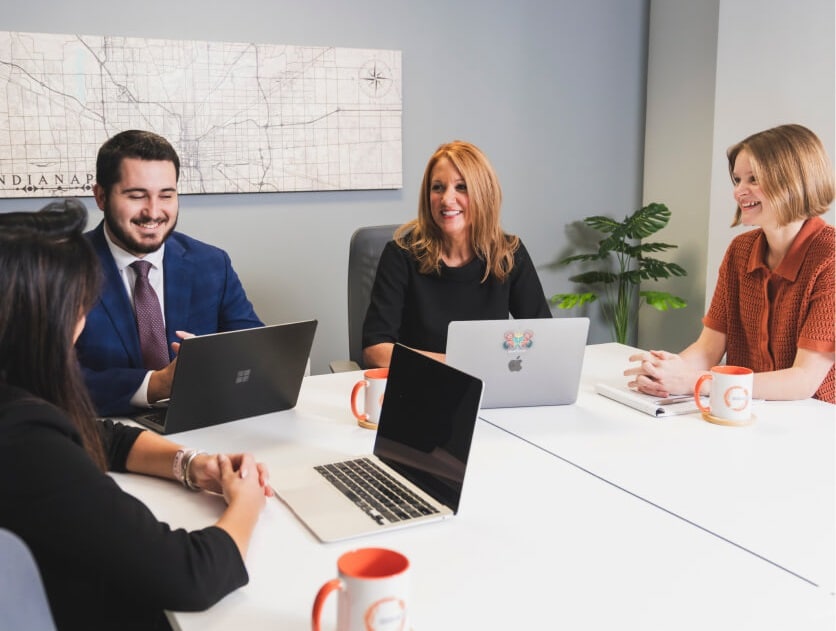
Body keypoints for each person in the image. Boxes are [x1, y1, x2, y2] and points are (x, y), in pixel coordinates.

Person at [0, 199, 272, 630]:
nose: (84, 319)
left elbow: (99, 435)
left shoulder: (17, 404)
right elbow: (190, 575)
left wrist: (191, 465)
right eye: (78, 305)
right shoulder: (27, 446)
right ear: (41, 318)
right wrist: (247, 503)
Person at [625, 124, 835, 403]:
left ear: (793, 181)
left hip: (813, 423)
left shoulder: (829, 257)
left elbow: (802, 381)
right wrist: (663, 372)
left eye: (753, 179)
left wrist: (694, 381)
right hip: (743, 411)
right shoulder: (741, 250)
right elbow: (708, 348)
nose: (739, 191)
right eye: (737, 180)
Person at [75, 130, 263, 416]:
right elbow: (45, 380)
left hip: (203, 427)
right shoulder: (60, 270)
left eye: (166, 195)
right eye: (137, 196)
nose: (153, 212)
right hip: (103, 435)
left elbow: (256, 350)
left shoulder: (211, 263)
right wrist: (156, 384)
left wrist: (224, 358)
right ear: (101, 196)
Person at [362, 140, 551, 368]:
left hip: (489, 387)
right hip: (421, 386)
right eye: (438, 187)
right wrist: (459, 365)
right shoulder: (400, 255)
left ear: (484, 194)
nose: (446, 199)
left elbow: (544, 339)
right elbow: (376, 350)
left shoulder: (508, 254)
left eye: (461, 187)